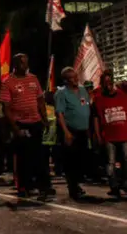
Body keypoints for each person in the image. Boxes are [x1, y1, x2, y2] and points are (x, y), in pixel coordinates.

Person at [0, 53, 51, 201]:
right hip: (20, 124)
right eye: (22, 63)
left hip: (35, 122)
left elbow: (40, 100)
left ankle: (44, 187)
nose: (25, 65)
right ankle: (24, 187)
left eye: (26, 62)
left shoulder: (33, 79)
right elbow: (6, 108)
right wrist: (15, 128)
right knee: (23, 158)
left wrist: (45, 119)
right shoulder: (8, 82)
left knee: (40, 157)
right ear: (15, 65)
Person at [54, 67, 91, 200]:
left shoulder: (82, 90)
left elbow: (86, 107)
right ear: (65, 80)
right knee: (71, 161)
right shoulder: (61, 93)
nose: (76, 79)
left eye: (76, 77)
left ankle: (76, 184)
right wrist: (66, 132)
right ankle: (73, 188)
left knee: (82, 160)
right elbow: (59, 114)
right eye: (72, 78)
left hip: (83, 131)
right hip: (71, 131)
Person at [93, 70, 127, 198]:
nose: (108, 84)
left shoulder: (123, 94)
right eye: (105, 82)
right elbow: (96, 118)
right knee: (110, 162)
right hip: (109, 136)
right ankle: (114, 187)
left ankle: (125, 183)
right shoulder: (98, 99)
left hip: (125, 134)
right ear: (102, 84)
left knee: (126, 160)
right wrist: (97, 135)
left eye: (109, 81)